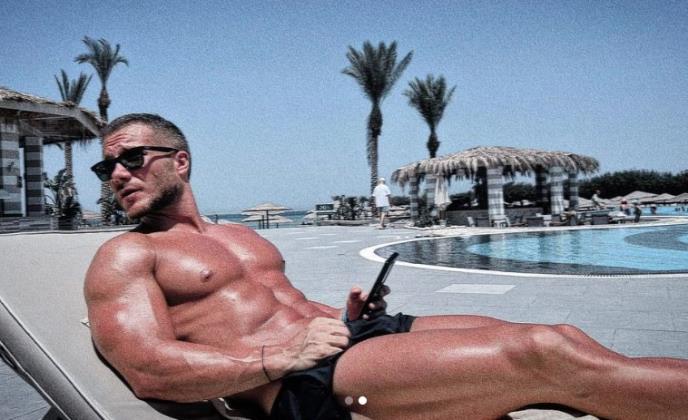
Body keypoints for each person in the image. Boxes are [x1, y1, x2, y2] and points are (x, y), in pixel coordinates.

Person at [85, 113, 688, 420]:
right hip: (306, 383)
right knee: (543, 356)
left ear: (180, 161)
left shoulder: (239, 234)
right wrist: (280, 357)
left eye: (131, 159)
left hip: (351, 337)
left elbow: (278, 307)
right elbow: (150, 370)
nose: (116, 175)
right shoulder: (128, 254)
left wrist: (347, 313)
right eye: (105, 168)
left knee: (566, 338)